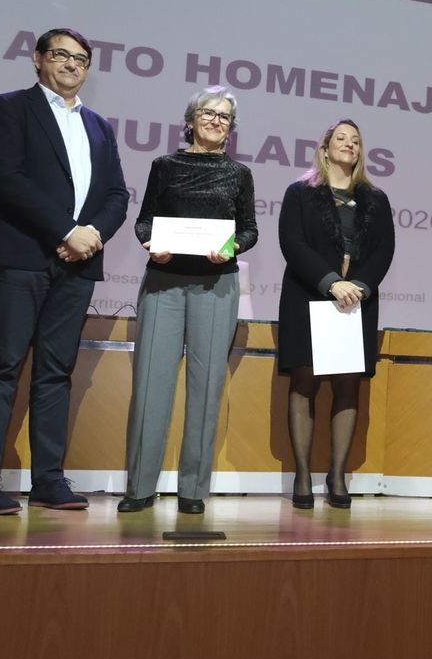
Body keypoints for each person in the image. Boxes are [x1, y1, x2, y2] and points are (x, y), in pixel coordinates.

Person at [0, 28, 128, 515]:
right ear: (38, 59)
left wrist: (93, 234)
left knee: (57, 373)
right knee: (3, 365)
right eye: (61, 54)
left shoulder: (98, 125)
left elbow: (117, 194)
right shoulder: (9, 107)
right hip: (22, 257)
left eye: (81, 59)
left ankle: (48, 479)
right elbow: (7, 179)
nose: (72, 64)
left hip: (77, 267)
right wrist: (65, 229)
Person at [118, 87, 258, 515]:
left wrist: (232, 246)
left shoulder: (239, 174)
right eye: (209, 113)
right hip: (163, 282)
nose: (216, 121)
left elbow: (249, 229)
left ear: (231, 129)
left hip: (216, 286)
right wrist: (150, 243)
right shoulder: (164, 166)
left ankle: (193, 490)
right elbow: (145, 220)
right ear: (191, 118)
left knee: (206, 387)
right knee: (149, 386)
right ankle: (139, 487)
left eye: (225, 117)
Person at [276, 119, 396, 510]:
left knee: (348, 386)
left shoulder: (376, 199)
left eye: (356, 140)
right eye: (341, 139)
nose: (349, 145)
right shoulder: (300, 193)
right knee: (305, 383)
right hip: (308, 298)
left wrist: (358, 286)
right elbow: (292, 244)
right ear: (325, 148)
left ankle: (338, 475)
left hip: (356, 303)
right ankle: (303, 474)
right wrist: (330, 282)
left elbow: (384, 251)